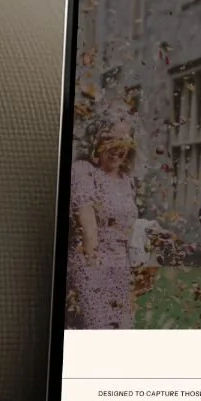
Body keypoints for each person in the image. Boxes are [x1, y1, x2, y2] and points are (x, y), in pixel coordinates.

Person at [67, 107, 141, 330]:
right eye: (109, 139)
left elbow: (127, 226)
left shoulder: (126, 180)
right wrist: (92, 262)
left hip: (121, 268)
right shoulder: (83, 171)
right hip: (90, 264)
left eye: (124, 141)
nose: (117, 148)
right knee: (97, 330)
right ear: (95, 141)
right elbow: (86, 215)